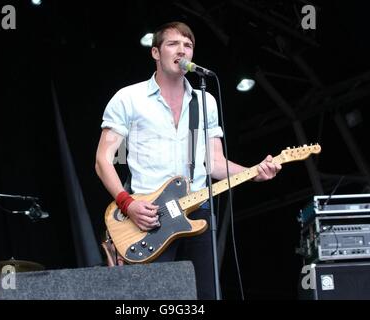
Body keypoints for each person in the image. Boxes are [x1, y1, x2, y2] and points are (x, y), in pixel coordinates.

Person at [95, 21, 281, 300]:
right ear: (156, 53)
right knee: (154, 300)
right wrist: (128, 203)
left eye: (188, 45)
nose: (182, 50)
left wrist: (255, 172)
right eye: (173, 44)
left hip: (196, 210)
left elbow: (215, 163)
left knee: (204, 295)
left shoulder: (205, 102)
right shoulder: (129, 98)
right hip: (148, 216)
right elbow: (102, 160)